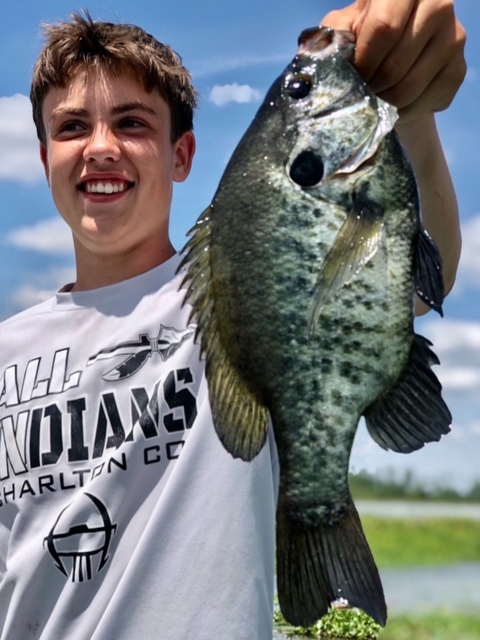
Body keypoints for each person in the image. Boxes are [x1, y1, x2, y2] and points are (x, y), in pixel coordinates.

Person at [0, 2, 466, 638]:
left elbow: (408, 275)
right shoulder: (5, 349)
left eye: (132, 123)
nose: (101, 147)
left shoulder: (225, 301)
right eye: (72, 126)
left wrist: (409, 108)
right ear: (45, 155)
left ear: (182, 155)